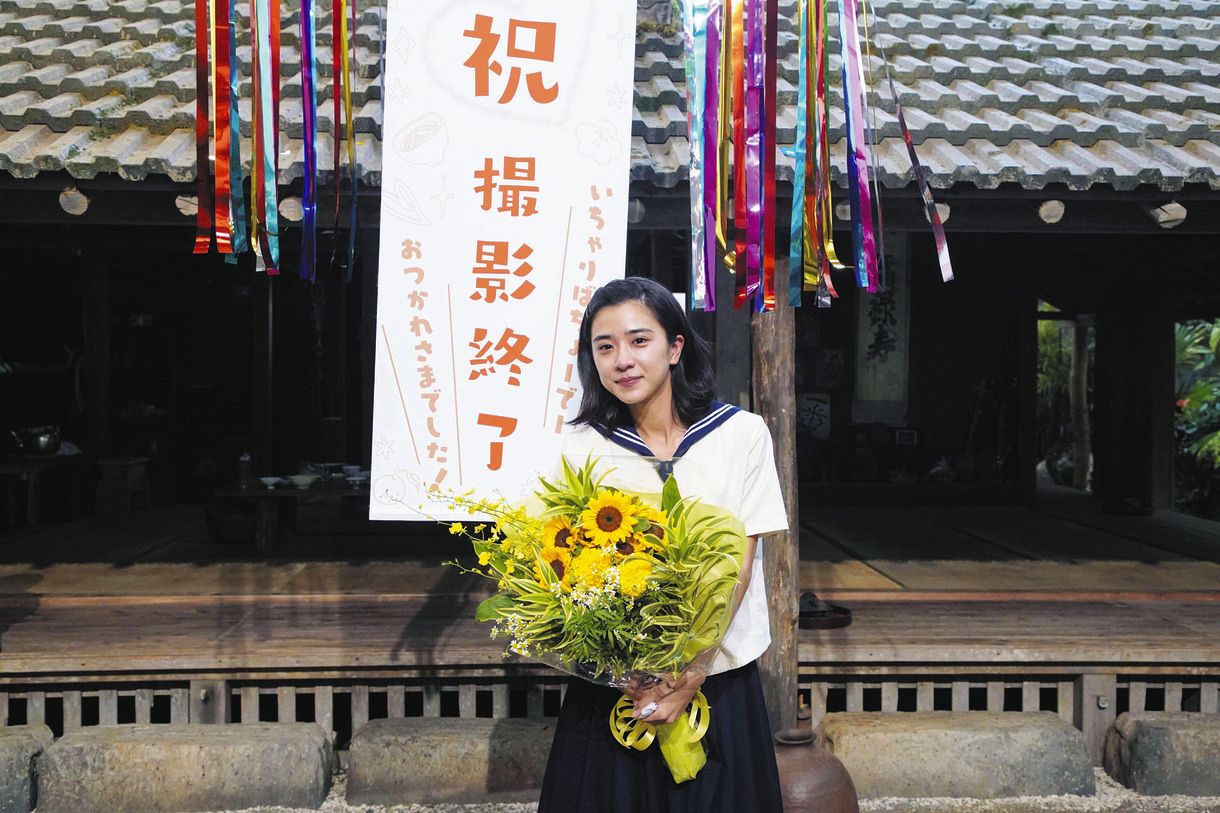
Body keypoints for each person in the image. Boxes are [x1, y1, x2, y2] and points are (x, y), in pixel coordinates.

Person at [538, 276, 788, 811]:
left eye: (638, 340)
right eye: (604, 347)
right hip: (618, 687)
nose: (622, 360)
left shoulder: (742, 434)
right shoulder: (582, 446)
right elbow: (564, 569)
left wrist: (690, 672)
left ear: (675, 347)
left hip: (717, 678)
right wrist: (632, 674)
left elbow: (740, 564)